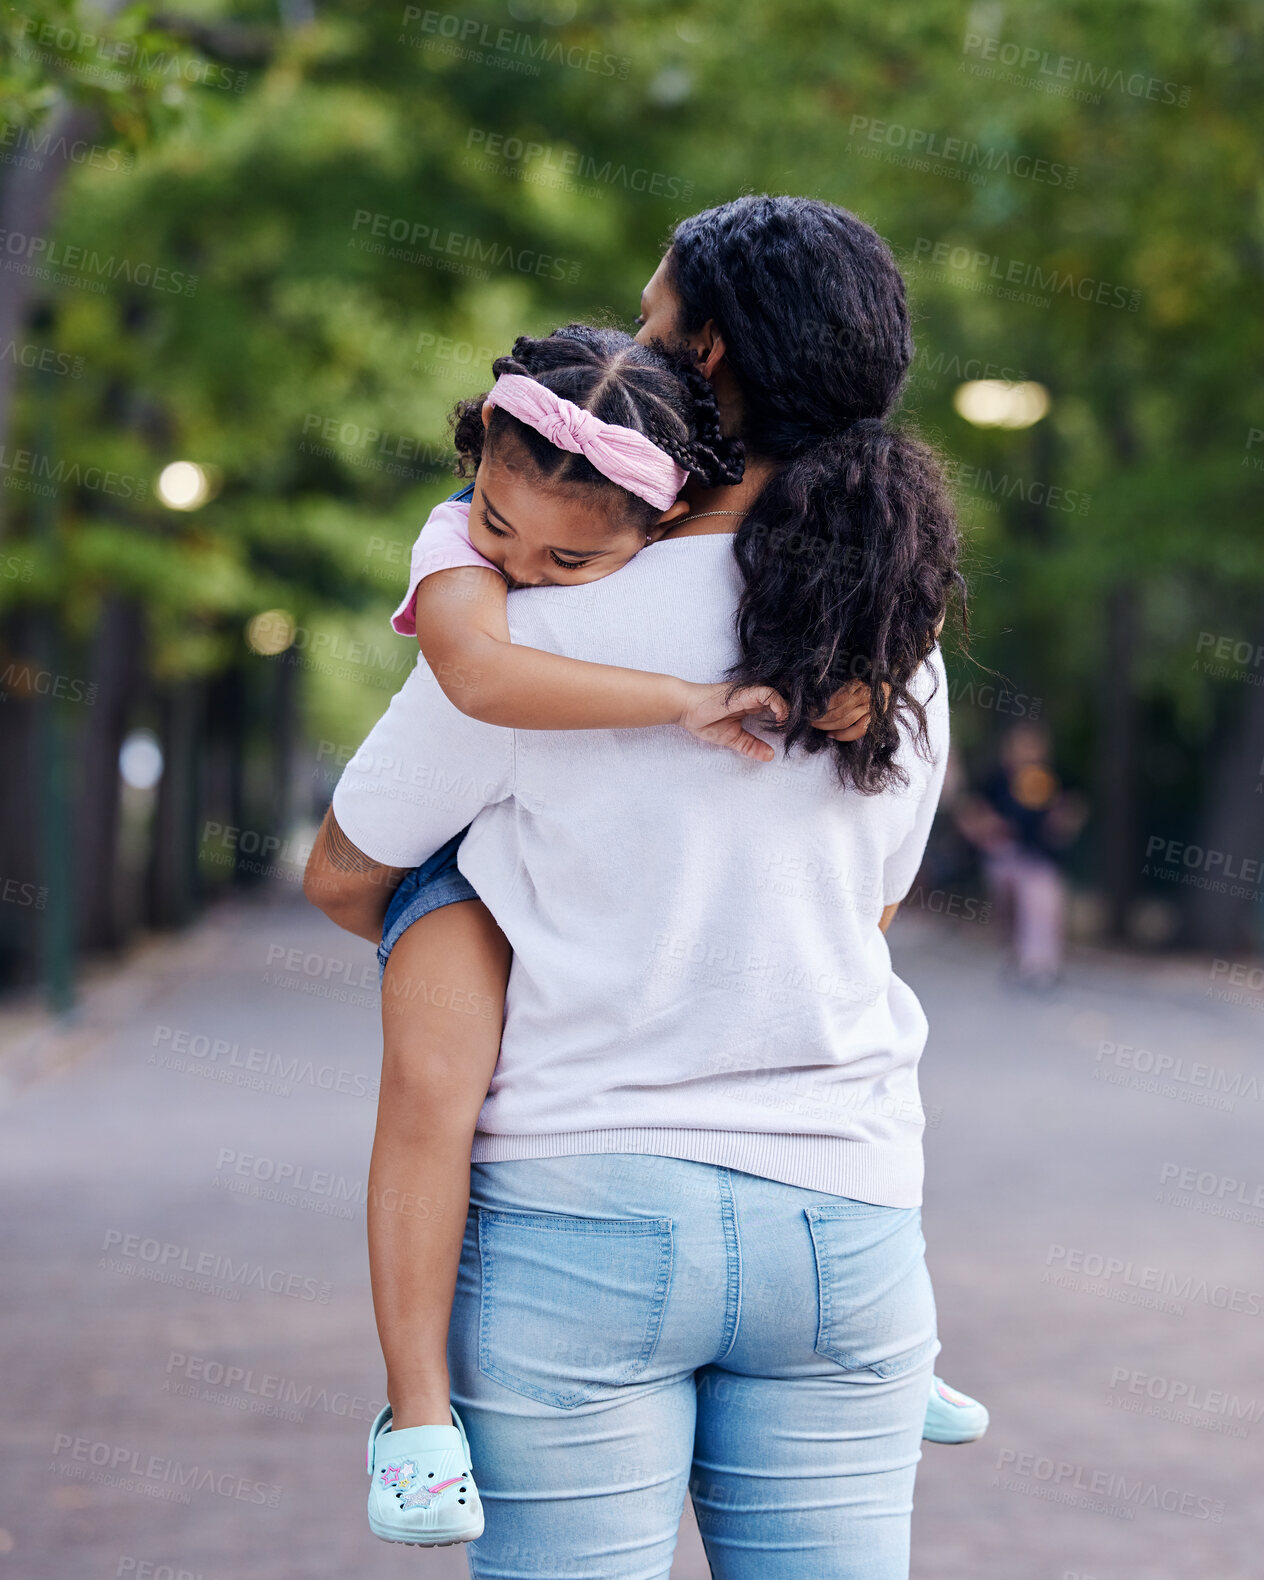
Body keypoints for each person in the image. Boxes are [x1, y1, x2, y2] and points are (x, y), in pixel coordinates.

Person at [307, 194, 971, 1579]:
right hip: (845, 1225)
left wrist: (477, 916)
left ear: (709, 356)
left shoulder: (541, 619)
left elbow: (341, 870)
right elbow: (874, 910)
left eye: (654, 311)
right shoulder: (890, 643)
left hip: (581, 1223)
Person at [954, 721, 1087, 988]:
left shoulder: (1054, 778)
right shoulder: (995, 779)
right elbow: (967, 812)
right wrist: (985, 828)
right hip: (1003, 855)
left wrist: (1062, 822)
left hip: (1040, 858)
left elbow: (1076, 809)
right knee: (1010, 911)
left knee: (1040, 902)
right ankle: (1017, 955)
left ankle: (1039, 964)